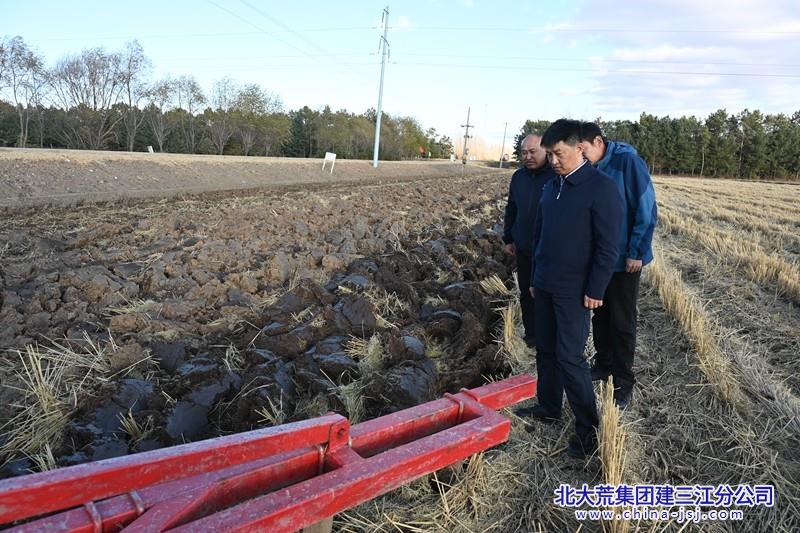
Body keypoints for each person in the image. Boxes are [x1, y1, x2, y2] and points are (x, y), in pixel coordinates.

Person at [518, 119, 623, 459]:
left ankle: (588, 431)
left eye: (558, 154)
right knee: (545, 350)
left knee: (570, 357)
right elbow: (540, 237)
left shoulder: (601, 188)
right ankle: (548, 407)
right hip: (545, 284)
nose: (553, 161)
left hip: (575, 291)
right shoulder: (552, 187)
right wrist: (535, 279)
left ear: (579, 148)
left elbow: (608, 246)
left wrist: (596, 288)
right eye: (549, 155)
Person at [579, 122, 658, 409]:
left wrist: (636, 251)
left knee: (622, 321)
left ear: (598, 142)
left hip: (626, 260)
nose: (581, 156)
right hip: (599, 260)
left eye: (583, 149)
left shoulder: (628, 163)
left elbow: (646, 209)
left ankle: (624, 381)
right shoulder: (589, 169)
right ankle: (604, 363)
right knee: (599, 314)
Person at [502, 134, 555, 347]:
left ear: (545, 151)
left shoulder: (556, 177)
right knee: (526, 292)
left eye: (533, 152)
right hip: (523, 246)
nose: (528, 156)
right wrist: (508, 238)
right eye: (524, 152)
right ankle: (532, 335)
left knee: (545, 293)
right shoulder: (518, 177)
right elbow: (511, 208)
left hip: (548, 249)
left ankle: (549, 335)